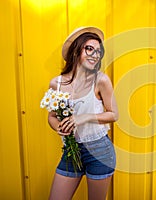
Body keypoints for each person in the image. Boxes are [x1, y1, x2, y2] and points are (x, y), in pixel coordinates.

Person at [47, 27, 118, 200]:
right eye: (89, 49)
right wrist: (59, 128)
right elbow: (51, 117)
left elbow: (113, 114)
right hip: (71, 151)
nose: (95, 55)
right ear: (76, 50)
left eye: (98, 51)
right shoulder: (56, 83)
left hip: (99, 151)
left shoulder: (100, 80)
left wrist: (83, 118)